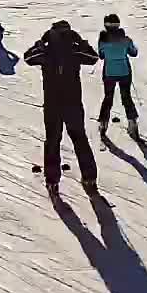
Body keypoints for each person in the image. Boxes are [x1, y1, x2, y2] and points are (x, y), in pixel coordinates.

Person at [24, 19, 100, 197]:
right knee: (79, 138)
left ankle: (52, 180)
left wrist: (41, 42)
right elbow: (92, 57)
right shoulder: (74, 50)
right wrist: (80, 41)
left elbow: (28, 57)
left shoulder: (46, 51)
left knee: (53, 140)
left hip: (53, 103)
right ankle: (89, 178)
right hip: (72, 102)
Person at [96, 13, 139, 138]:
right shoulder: (126, 40)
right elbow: (134, 53)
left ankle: (103, 124)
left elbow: (101, 55)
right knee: (127, 97)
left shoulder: (103, 40)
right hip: (124, 71)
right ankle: (132, 124)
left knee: (108, 97)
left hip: (109, 72)